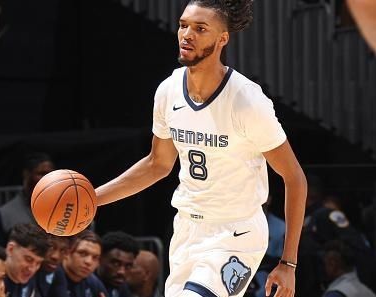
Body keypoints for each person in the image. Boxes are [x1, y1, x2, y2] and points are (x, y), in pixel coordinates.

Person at [96, 1, 308, 296]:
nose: (187, 34)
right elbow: (157, 164)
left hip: (236, 234)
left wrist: (288, 263)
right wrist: (92, 200)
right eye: (183, 25)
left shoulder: (247, 102)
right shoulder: (168, 90)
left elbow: (294, 177)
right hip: (186, 230)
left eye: (200, 28)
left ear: (223, 38)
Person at [0, 152, 55, 246]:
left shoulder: (66, 209)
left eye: (50, 174)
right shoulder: (5, 215)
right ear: (26, 174)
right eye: (41, 173)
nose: (47, 179)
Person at [5, 223, 50, 297]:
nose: (32, 269)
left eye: (38, 263)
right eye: (28, 259)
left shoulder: (31, 283)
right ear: (10, 249)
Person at [62, 229, 108, 297]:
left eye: (95, 257)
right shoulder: (52, 275)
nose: (88, 262)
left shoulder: (93, 283)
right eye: (82, 253)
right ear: (67, 253)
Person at [96, 231, 140, 297]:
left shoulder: (122, 286)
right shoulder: (86, 283)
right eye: (116, 264)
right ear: (99, 258)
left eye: (128, 266)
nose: (122, 272)